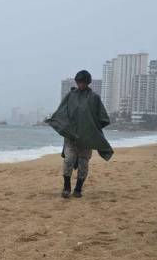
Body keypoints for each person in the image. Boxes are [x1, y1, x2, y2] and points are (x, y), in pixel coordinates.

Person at [46, 70, 113, 198]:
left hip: (86, 138)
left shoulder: (94, 98)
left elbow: (102, 118)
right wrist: (57, 122)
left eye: (82, 82)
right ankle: (66, 187)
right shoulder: (71, 95)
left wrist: (92, 131)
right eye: (78, 82)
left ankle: (78, 189)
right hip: (71, 136)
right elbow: (62, 111)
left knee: (83, 164)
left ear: (87, 82)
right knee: (68, 160)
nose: (80, 84)